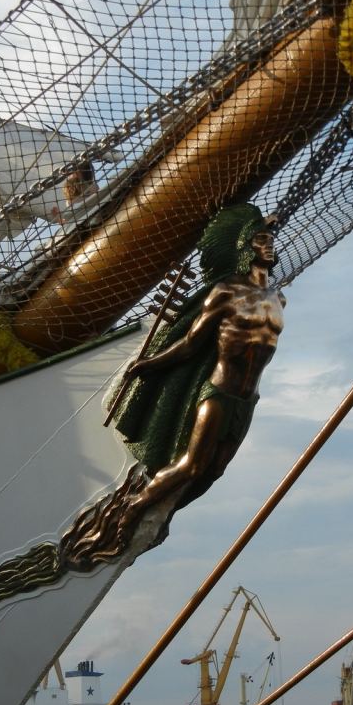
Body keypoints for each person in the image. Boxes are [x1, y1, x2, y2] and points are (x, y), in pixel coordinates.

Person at [113, 203, 285, 535]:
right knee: (192, 465)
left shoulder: (278, 299)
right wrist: (149, 364)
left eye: (269, 239)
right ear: (244, 247)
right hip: (219, 390)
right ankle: (133, 509)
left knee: (215, 469)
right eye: (258, 239)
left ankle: (165, 509)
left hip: (248, 398)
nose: (267, 244)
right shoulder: (226, 292)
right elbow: (192, 342)